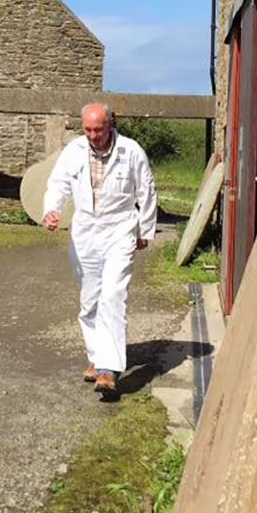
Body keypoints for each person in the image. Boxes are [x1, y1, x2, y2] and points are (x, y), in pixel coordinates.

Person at [42, 102, 157, 397]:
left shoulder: (131, 151)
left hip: (119, 229)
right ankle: (95, 355)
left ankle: (108, 368)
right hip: (85, 234)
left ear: (111, 124)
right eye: (88, 130)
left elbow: (146, 190)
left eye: (98, 129)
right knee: (90, 299)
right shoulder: (74, 151)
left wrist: (144, 230)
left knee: (113, 295)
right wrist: (52, 210)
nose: (93, 136)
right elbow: (58, 183)